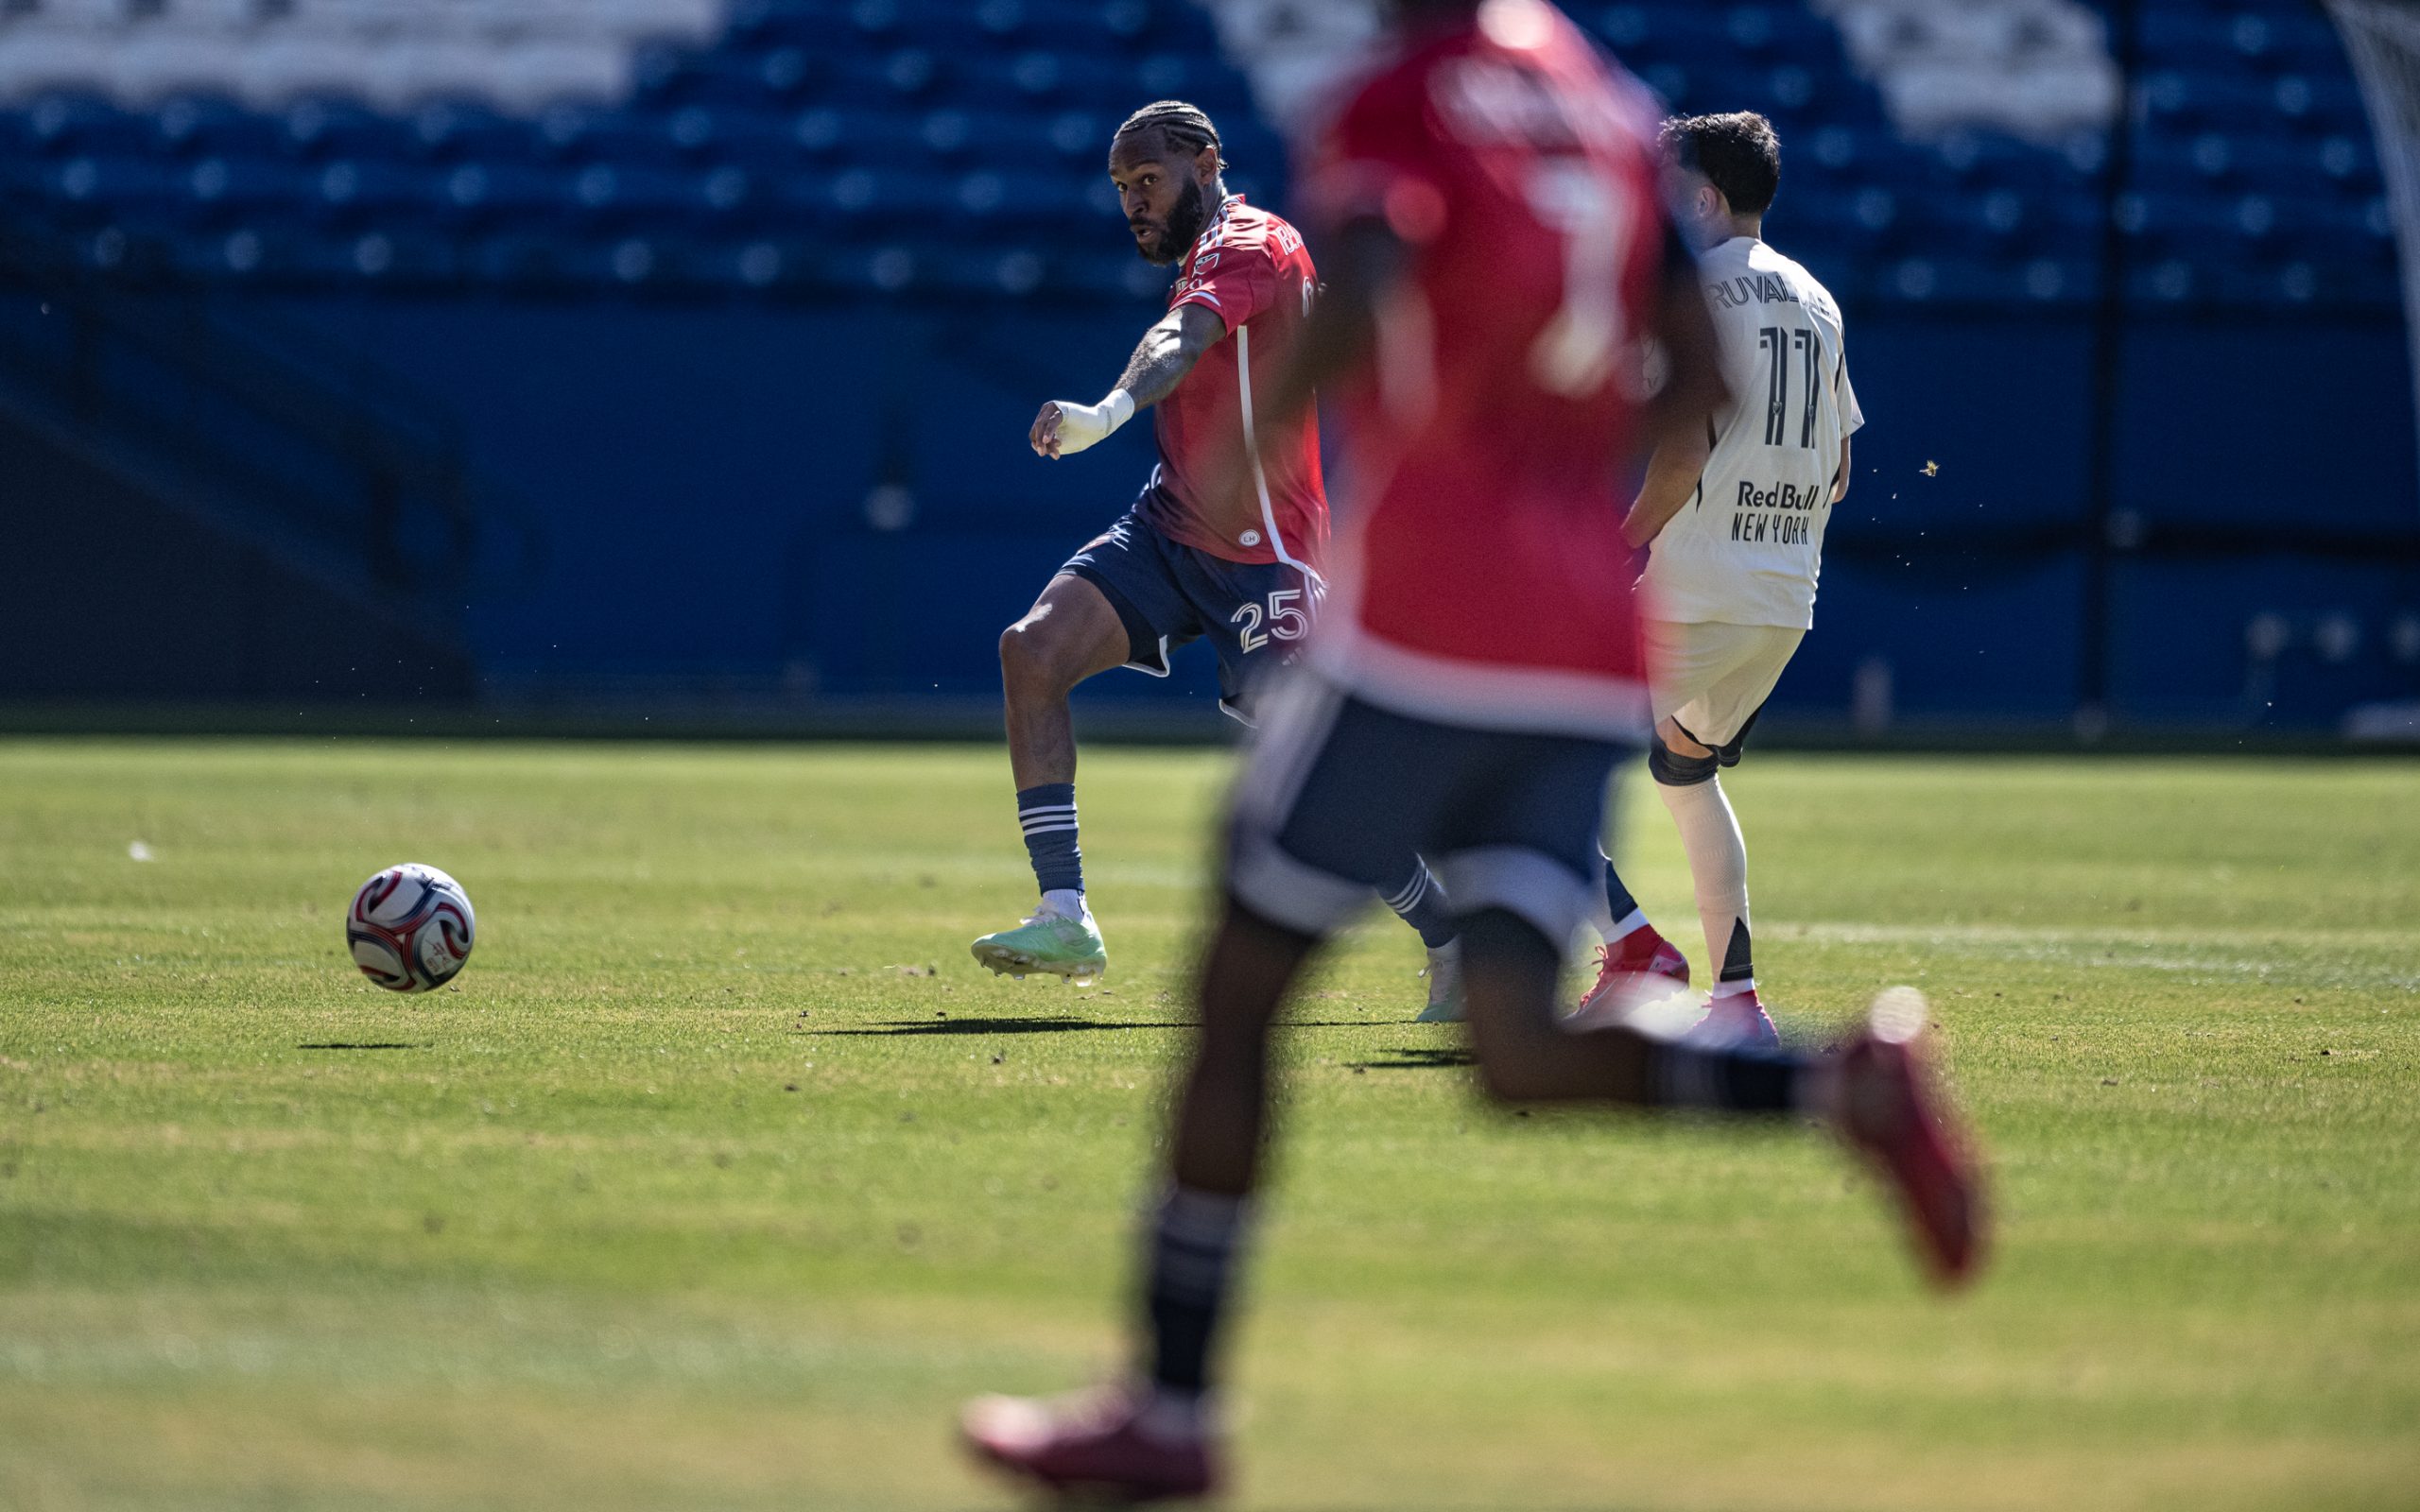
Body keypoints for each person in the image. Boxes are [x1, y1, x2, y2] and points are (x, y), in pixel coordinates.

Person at [959, 4, 1984, 1502]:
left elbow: (1365, 280)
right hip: (1580, 637)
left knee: (1241, 986)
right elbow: (1696, 378)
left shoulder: (1398, 99)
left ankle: (1170, 1412)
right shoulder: (1610, 106)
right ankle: (1843, 1093)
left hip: (1436, 608)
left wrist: (1272, 450)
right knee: (1516, 1047)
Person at [972, 99, 1463, 1016]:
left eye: (1148, 181)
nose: (1133, 204)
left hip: (1265, 553)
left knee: (1320, 782)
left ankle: (1450, 931)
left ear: (1206, 161)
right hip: (1170, 523)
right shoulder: (1216, 249)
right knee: (1032, 649)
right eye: (1121, 188)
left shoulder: (1250, 243)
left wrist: (1107, 411)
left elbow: (1180, 340)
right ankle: (1064, 910)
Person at [1578, 111, 1863, 1047]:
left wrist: (1618, 545)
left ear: (1700, 197)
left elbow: (1679, 452)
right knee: (1683, 765)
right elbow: (1840, 470)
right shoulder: (1818, 298)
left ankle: (1629, 946)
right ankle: (1736, 996)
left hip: (1691, 583)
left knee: (1501, 753)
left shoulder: (1690, 290)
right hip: (1785, 595)